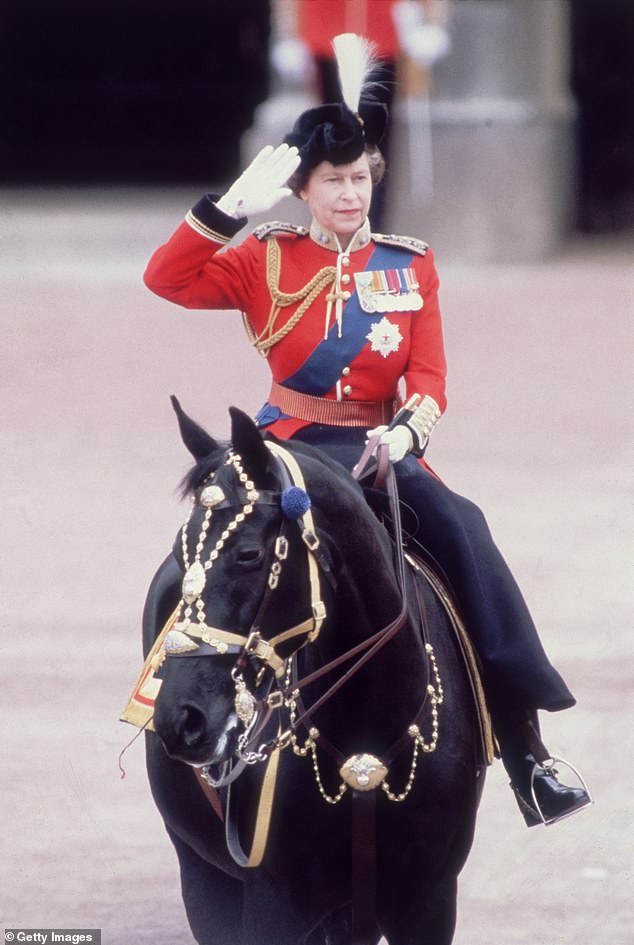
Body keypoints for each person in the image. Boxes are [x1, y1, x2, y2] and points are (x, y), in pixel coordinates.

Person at [144, 33, 591, 827]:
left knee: (465, 530)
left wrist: (409, 436)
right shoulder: (265, 260)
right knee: (209, 550)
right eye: (333, 181)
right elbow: (166, 278)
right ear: (304, 191)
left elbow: (428, 377)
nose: (351, 195)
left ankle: (525, 744)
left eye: (359, 179)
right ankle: (178, 707)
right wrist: (228, 210)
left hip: (382, 451)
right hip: (288, 445)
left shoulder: (408, 265)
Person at [272, 0, 451, 226]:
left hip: (380, 32)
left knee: (374, 142)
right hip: (326, 29)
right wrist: (288, 34)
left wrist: (432, 22)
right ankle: (331, 230)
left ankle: (370, 230)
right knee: (329, 139)